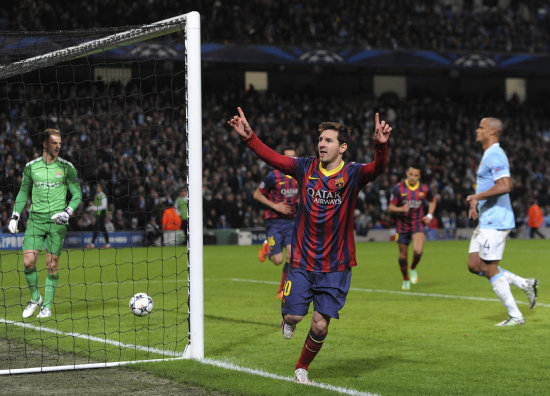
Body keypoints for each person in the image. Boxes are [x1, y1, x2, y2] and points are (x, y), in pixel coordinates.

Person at [228, 107, 391, 384]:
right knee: (293, 314)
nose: (321, 144)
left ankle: (301, 367)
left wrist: (380, 147)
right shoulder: (305, 167)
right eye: (320, 139)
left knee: (320, 323)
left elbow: (377, 169)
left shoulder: (352, 174)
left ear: (343, 147)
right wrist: (250, 138)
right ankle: (289, 320)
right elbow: (275, 159)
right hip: (303, 260)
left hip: (336, 265)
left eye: (328, 140)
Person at [466, 117, 538, 326]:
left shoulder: (495, 154)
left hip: (496, 221)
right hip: (487, 219)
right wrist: (476, 201)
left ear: (492, 132)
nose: (477, 130)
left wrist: (477, 197)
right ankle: (525, 283)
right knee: (474, 264)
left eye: (481, 127)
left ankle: (515, 315)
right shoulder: (489, 154)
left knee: (489, 268)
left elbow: (506, 185)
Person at [8, 128, 82, 319]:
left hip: (57, 222)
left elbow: (77, 195)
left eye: (59, 143)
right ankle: (35, 298)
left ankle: (46, 306)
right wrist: (15, 215)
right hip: (35, 220)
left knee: (52, 265)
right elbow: (23, 192)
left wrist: (67, 212)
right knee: (28, 262)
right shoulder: (31, 167)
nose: (58, 146)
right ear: (44, 144)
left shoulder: (67, 167)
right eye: (54, 143)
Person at [253, 147, 299, 299]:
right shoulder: (273, 176)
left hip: (292, 221)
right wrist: (276, 206)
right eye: (288, 157)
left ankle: (282, 290)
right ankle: (267, 246)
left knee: (292, 257)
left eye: (294, 157)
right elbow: (257, 194)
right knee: (278, 260)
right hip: (275, 222)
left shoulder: (300, 176)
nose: (291, 160)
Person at [388, 165, 436, 290]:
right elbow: (390, 207)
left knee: (418, 251)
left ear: (419, 177)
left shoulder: (424, 188)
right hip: (402, 226)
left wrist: (430, 215)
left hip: (417, 224)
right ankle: (405, 278)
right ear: (407, 174)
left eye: (416, 175)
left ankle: (413, 267)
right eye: (411, 175)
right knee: (403, 256)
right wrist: (400, 208)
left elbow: (432, 200)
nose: (413, 177)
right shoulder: (399, 188)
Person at [86, 183, 111, 249]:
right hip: (98, 214)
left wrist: (93, 207)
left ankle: (92, 244)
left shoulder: (103, 195)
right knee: (102, 228)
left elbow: (104, 206)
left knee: (96, 228)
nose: (97, 188)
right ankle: (108, 244)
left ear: (100, 188)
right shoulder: (96, 195)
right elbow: (95, 205)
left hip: (102, 214)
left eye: (98, 187)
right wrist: (91, 207)